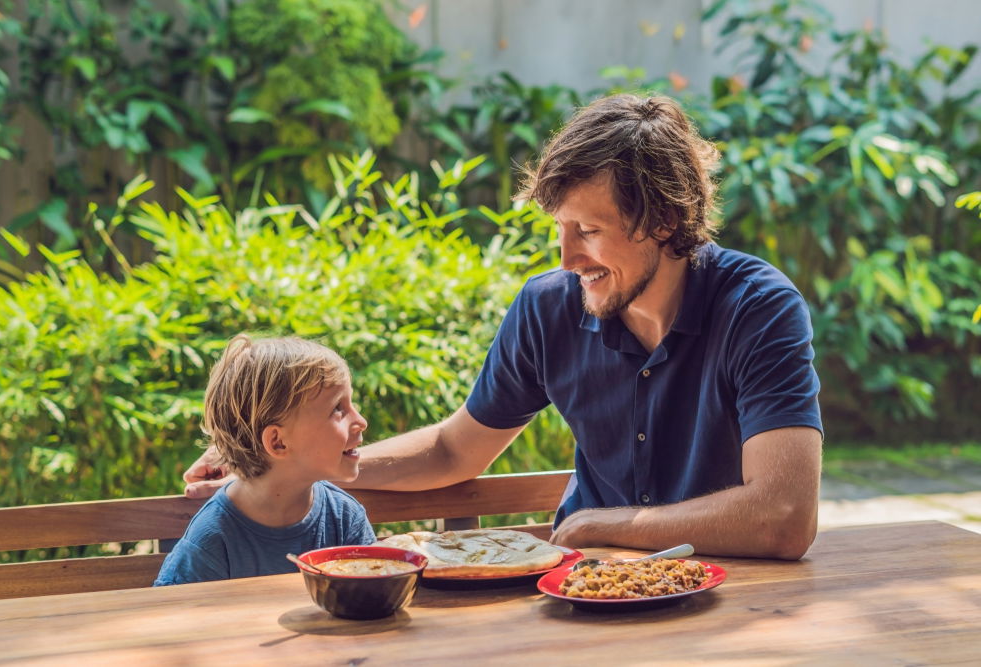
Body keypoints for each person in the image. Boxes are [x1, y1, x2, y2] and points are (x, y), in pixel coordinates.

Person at [183, 94, 823, 560]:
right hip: (588, 589)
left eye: (589, 232)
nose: (567, 259)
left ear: (661, 221)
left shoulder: (758, 308)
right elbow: (452, 451)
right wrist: (290, 462)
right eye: (561, 229)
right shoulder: (549, 309)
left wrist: (608, 524)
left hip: (731, 593)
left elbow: (784, 516)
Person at [155, 334, 375, 586]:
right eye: (338, 408)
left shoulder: (344, 518)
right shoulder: (213, 539)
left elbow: (370, 597)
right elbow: (172, 614)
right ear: (278, 442)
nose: (361, 421)